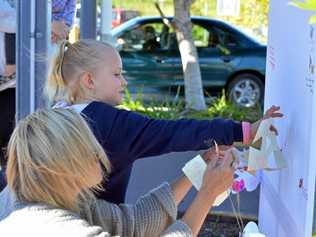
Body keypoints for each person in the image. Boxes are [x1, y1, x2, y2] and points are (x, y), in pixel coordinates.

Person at [45, 39, 283, 204]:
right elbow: (173, 132)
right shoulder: (110, 123)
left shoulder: (54, 115)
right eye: (117, 74)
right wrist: (243, 131)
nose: (124, 82)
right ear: (89, 80)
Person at [0, 108, 235, 237]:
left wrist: (198, 170)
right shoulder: (61, 230)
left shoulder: (44, 194)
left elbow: (133, 223)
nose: (98, 150)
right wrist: (206, 195)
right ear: (66, 165)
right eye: (88, 144)